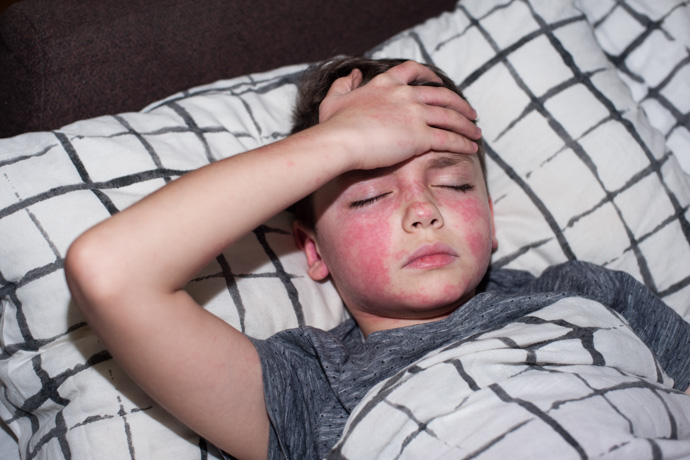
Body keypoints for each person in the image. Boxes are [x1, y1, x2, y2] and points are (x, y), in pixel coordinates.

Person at [64, 57, 690, 460]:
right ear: (314, 251)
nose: (423, 209)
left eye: (454, 183)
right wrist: (342, 140)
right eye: (368, 193)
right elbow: (110, 272)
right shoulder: (309, 387)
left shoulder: (588, 295)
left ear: (493, 218)